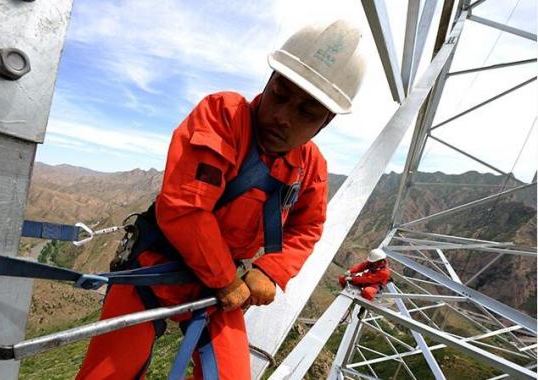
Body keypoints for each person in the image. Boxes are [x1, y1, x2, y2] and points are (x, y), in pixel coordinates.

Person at [77, 19, 366, 380]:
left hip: (221, 285)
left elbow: (307, 227)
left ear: (324, 123)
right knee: (106, 375)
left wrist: (270, 270)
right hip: (155, 268)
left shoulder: (309, 167)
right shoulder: (224, 115)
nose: (281, 116)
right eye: (280, 93)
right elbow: (185, 208)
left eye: (306, 112)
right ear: (269, 80)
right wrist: (228, 281)